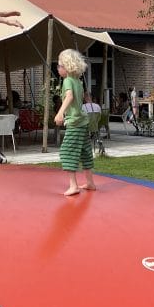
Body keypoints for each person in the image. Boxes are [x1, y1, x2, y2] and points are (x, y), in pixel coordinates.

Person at [53, 49, 96, 196]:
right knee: (85, 151)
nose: (57, 68)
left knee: (67, 152)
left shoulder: (67, 81)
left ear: (67, 66)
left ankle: (74, 186)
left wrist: (60, 113)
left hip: (76, 123)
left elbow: (69, 97)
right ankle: (90, 182)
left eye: (59, 66)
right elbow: (80, 98)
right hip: (83, 121)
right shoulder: (78, 81)